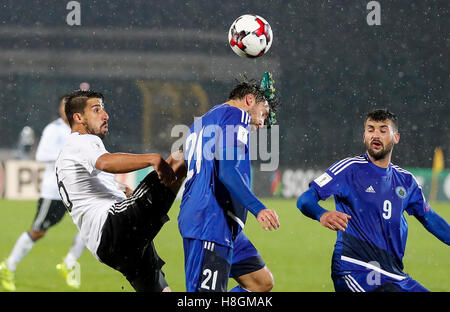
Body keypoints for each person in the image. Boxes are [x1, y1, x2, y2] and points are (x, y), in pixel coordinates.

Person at [296, 109, 450, 292]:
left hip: (395, 275)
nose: (376, 135)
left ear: (396, 137)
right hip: (356, 269)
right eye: (371, 129)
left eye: (383, 130)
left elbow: (429, 218)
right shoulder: (350, 169)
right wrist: (322, 214)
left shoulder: (406, 181)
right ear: (364, 136)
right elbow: (305, 199)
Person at [54, 90, 186, 292]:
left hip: (107, 247)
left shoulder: (69, 152)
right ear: (78, 118)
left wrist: (126, 191)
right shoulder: (80, 141)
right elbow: (106, 163)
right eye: (96, 110)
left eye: (104, 109)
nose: (105, 115)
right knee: (180, 158)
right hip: (112, 228)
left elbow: (101, 184)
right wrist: (153, 159)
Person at [178, 73, 280, 292]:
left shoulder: (202, 122)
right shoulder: (236, 116)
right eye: (263, 113)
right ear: (249, 100)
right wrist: (259, 209)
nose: (262, 123)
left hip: (221, 223)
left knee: (261, 283)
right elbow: (227, 171)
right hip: (210, 222)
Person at [0, 94, 85, 291]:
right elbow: (41, 155)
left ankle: (69, 262)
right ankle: (8, 266)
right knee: (38, 231)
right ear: (60, 109)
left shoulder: (80, 130)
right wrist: (68, 156)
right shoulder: (53, 130)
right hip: (53, 192)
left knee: (91, 228)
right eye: (65, 106)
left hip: (74, 191)